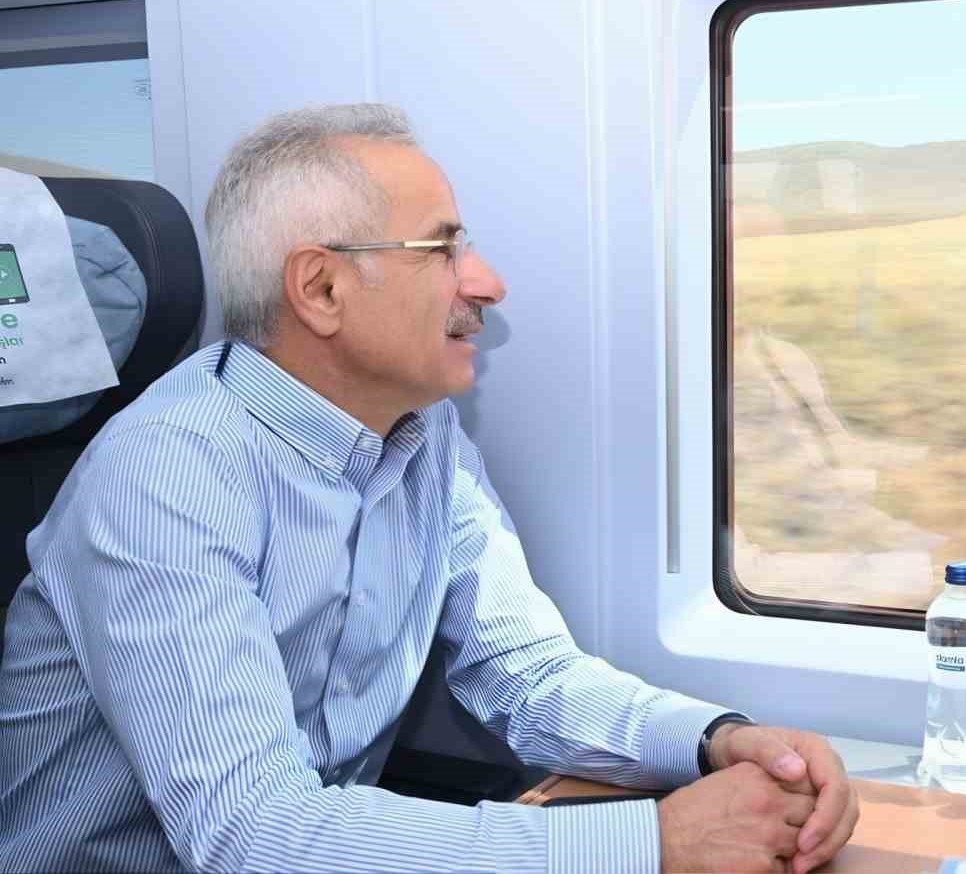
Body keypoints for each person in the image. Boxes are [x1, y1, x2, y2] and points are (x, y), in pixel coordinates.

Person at [0, 104, 858, 874]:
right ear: (321, 288)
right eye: (443, 248)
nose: (487, 282)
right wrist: (656, 843)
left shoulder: (423, 435)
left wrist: (718, 739)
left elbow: (527, 675)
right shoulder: (164, 477)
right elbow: (254, 835)